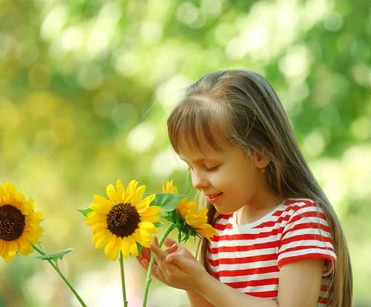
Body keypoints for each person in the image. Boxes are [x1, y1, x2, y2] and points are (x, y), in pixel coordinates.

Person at [137, 69, 352, 307]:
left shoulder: (300, 220)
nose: (197, 182)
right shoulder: (219, 230)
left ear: (260, 153)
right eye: (191, 168)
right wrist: (190, 281)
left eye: (210, 166)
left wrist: (203, 283)